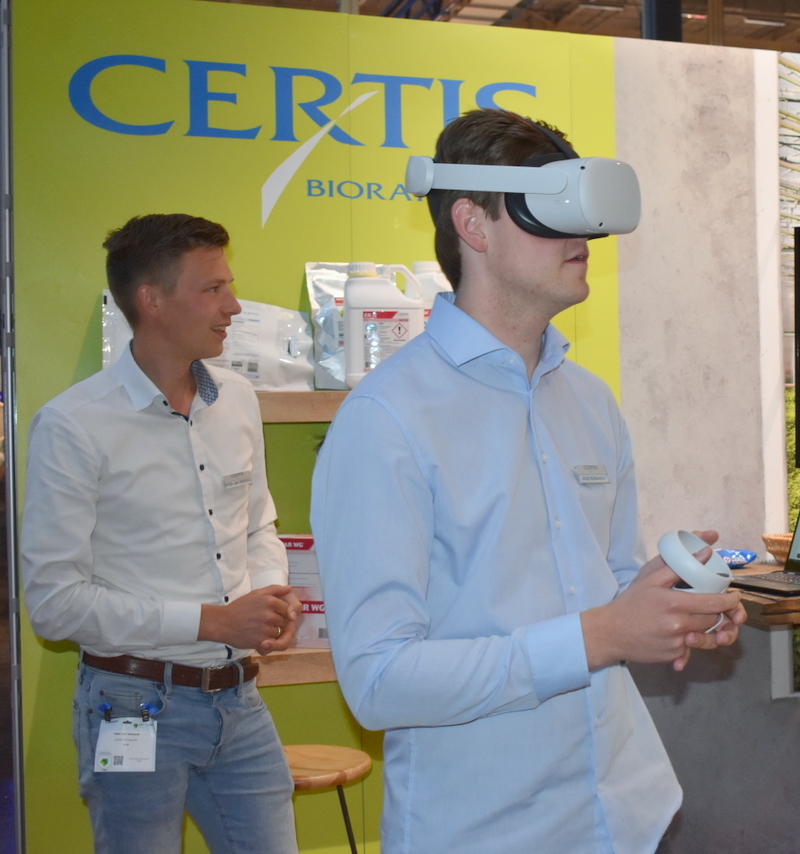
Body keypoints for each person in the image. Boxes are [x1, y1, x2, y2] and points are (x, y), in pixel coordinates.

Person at [311, 109, 747, 854]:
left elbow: (606, 582)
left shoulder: (590, 402)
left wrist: (672, 608)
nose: (582, 236)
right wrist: (599, 636)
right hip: (485, 832)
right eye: (550, 208)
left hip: (627, 816)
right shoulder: (386, 420)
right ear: (472, 225)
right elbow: (378, 681)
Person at [21, 214, 300, 854]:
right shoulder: (73, 425)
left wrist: (270, 595)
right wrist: (212, 621)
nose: (233, 307)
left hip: (238, 701)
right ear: (150, 300)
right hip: (131, 703)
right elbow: (54, 604)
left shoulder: (237, 399)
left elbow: (257, 523)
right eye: (213, 289)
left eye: (230, 286)